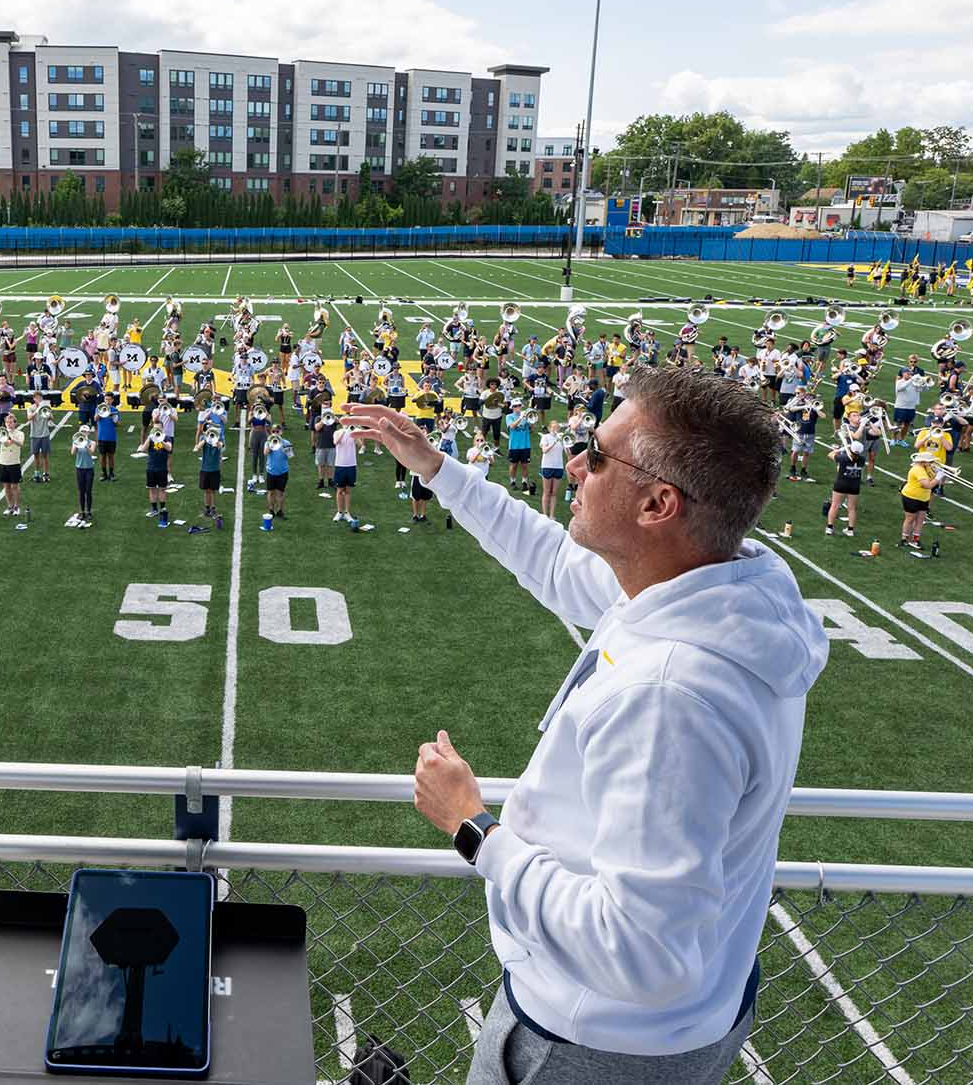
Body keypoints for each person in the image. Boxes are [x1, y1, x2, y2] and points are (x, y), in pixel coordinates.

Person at [343, 367, 822, 1082]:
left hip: (595, 1042)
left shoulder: (672, 696)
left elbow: (644, 953)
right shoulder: (716, 590)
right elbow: (556, 562)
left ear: (659, 503)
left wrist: (476, 829)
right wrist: (438, 469)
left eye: (597, 455)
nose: (574, 464)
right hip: (678, 1020)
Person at [899, 451, 942, 548]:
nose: (932, 463)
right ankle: (904, 539)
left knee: (920, 519)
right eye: (930, 462)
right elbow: (927, 485)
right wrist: (938, 478)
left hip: (924, 498)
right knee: (910, 518)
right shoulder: (918, 469)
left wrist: (937, 474)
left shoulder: (926, 468)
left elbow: (931, 480)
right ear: (923, 461)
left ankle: (915, 540)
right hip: (911, 497)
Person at [140, 420, 172, 525]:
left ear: (162, 429)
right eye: (155, 428)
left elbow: (169, 448)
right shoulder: (150, 439)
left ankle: (162, 508)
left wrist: (161, 440)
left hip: (162, 468)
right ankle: (154, 509)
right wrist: (150, 438)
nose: (157, 430)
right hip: (151, 467)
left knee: (162, 489)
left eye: (159, 428)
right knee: (152, 489)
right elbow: (143, 449)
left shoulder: (167, 438)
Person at [0, 414, 27, 516]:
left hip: (14, 463)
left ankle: (16, 506)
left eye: (11, 422)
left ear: (15, 423)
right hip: (3, 462)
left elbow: (21, 444)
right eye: (7, 422)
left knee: (15, 486)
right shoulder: (2, 433)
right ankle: (10, 506)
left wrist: (12, 438)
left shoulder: (20, 433)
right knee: (6, 487)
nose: (9, 424)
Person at [331, 414, 359, 525]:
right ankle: (339, 512)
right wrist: (344, 431)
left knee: (347, 490)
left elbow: (360, 445)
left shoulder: (354, 432)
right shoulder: (337, 432)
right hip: (340, 464)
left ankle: (347, 512)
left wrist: (355, 435)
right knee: (339, 490)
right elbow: (335, 442)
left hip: (351, 464)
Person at [196, 421, 224, 519]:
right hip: (205, 469)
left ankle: (213, 509)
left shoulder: (218, 440)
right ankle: (207, 508)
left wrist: (217, 443)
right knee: (206, 490)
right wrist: (204, 440)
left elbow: (221, 446)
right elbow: (196, 448)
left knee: (212, 491)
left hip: (214, 469)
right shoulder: (203, 439)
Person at [70, 427, 97, 527]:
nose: (84, 433)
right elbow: (72, 453)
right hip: (79, 468)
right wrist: (77, 444)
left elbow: (92, 452)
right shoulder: (76, 441)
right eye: (82, 431)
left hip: (89, 469)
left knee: (88, 491)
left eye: (86, 431)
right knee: (81, 491)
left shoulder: (92, 442)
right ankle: (82, 511)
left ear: (89, 433)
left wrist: (86, 445)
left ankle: (89, 511)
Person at [263, 428, 291, 521]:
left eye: (277, 431)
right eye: (273, 432)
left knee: (280, 493)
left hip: (283, 471)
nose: (275, 433)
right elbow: (265, 453)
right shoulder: (268, 442)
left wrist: (284, 447)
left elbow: (290, 455)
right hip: (271, 471)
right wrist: (270, 445)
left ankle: (280, 511)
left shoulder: (286, 442)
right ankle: (271, 510)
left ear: (281, 432)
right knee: (271, 492)